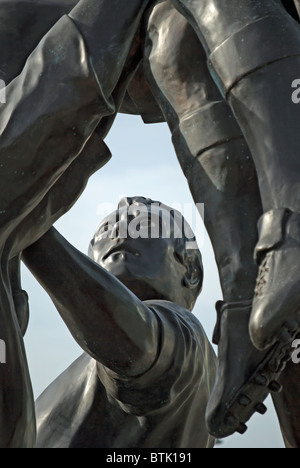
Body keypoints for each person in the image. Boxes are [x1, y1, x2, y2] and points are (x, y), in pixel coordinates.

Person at [21, 196, 216, 449]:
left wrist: (28, 228)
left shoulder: (186, 338)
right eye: (105, 230)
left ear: (190, 269)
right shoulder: (88, 365)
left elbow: (138, 345)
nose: (119, 233)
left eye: (144, 226)